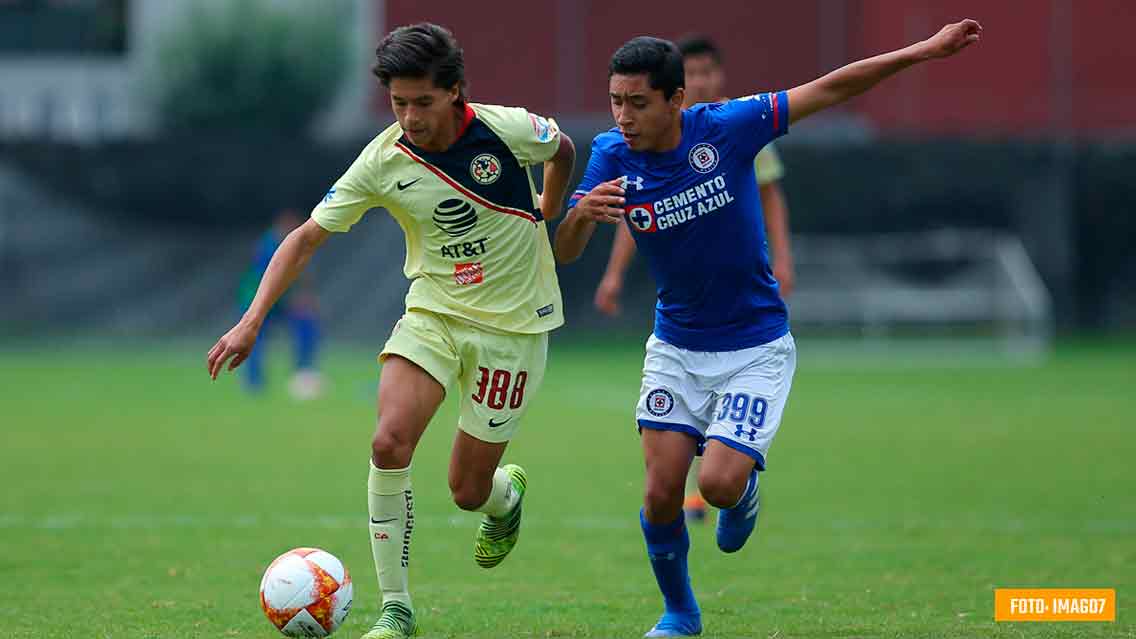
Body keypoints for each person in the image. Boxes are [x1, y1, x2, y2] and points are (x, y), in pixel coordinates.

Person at [555, 20, 981, 637]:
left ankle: (742, 489)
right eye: (616, 100)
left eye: (638, 103)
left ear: (677, 100)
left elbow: (831, 88)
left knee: (720, 487)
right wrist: (582, 218)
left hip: (755, 347)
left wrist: (925, 49)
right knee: (660, 492)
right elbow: (566, 251)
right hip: (676, 346)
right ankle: (680, 613)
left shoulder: (727, 127)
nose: (623, 116)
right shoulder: (609, 155)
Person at [206, 23, 575, 639]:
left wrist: (549, 206)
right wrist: (251, 320)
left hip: (515, 329)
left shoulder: (505, 130)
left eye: (423, 103)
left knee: (466, 489)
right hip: (433, 314)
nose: (409, 117)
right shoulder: (383, 159)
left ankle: (504, 499)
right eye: (399, 103)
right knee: (388, 443)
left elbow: (562, 149)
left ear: (455, 91)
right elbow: (304, 239)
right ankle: (396, 609)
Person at [592, 35, 797, 522]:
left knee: (721, 473)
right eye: (619, 101)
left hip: (748, 324)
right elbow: (632, 213)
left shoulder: (737, 124)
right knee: (666, 458)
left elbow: (769, 194)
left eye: (709, 71)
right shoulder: (628, 145)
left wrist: (782, 259)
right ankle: (686, 505)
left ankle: (730, 484)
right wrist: (614, 273)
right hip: (682, 327)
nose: (624, 113)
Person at [236, 209, 324, 399]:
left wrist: (307, 298)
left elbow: (302, 274)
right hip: (256, 301)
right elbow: (271, 277)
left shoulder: (300, 243)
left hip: (281, 302)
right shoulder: (268, 244)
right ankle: (253, 383)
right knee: (253, 339)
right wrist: (295, 299)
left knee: (307, 324)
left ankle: (303, 373)